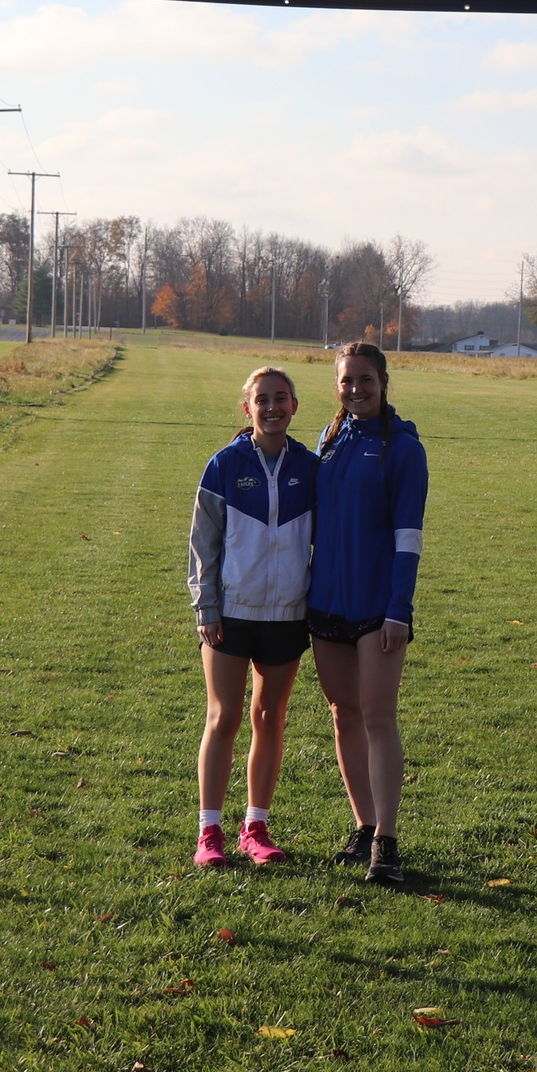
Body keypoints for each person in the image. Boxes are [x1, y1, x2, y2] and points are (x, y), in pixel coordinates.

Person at [185, 366, 317, 868]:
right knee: (224, 717)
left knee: (269, 717)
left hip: (286, 616)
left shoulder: (311, 467)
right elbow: (204, 545)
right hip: (230, 615)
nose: (272, 407)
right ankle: (209, 832)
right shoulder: (223, 466)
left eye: (281, 398)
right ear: (248, 408)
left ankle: (256, 827)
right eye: (262, 399)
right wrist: (207, 607)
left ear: (294, 405)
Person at [308, 342, 428, 886]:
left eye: (365, 380)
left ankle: (387, 842)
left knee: (379, 717)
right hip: (326, 603)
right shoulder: (329, 440)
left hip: (379, 609)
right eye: (346, 380)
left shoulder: (403, 448)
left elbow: (408, 538)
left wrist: (398, 610)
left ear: (384, 382)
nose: (355, 389)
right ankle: (363, 825)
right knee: (343, 714)